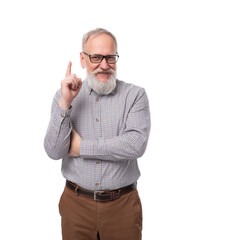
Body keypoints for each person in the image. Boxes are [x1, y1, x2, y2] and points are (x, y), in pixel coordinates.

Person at [44, 28, 151, 240]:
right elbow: (54, 151)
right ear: (83, 60)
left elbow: (135, 145)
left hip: (123, 206)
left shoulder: (135, 95)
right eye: (96, 57)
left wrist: (80, 148)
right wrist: (65, 103)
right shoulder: (64, 96)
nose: (104, 65)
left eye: (110, 57)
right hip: (76, 205)